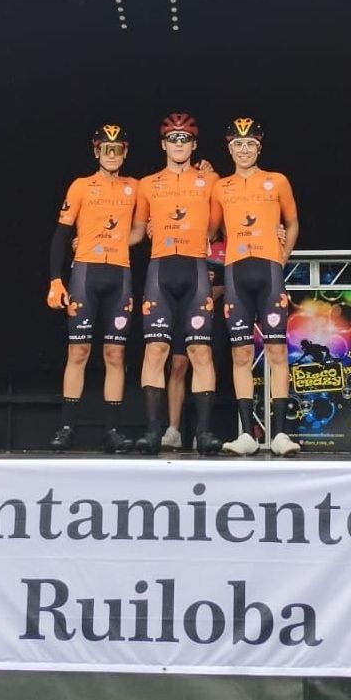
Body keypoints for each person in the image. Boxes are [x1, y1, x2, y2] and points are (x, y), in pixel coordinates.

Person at [131, 113, 222, 455]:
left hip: (195, 268)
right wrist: (91, 241)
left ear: (194, 145)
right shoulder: (147, 183)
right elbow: (137, 231)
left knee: (200, 351)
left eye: (185, 139)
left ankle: (204, 432)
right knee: (156, 350)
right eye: (173, 138)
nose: (179, 144)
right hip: (160, 270)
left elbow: (217, 227)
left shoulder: (211, 180)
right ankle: (153, 431)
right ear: (163, 144)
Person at [210, 116, 301, 457]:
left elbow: (293, 222)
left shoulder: (277, 181)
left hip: (269, 271)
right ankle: (247, 434)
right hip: (235, 272)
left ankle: (280, 435)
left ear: (259, 148)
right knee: (241, 353)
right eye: (238, 144)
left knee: (277, 352)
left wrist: (282, 257)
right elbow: (212, 231)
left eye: (250, 144)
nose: (244, 150)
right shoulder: (221, 187)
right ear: (229, 148)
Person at [46, 124, 141, 453]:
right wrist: (55, 279)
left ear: (125, 153)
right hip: (85, 274)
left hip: (120, 275)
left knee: (115, 354)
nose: (111, 155)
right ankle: (66, 428)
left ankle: (112, 431)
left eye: (117, 150)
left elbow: (146, 225)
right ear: (96, 151)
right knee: (78, 352)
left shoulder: (135, 187)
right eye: (106, 150)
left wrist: (203, 170)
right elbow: (61, 235)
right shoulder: (81, 186)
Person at [160, 236, 226, 450]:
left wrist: (210, 288)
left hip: (214, 312)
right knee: (178, 364)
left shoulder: (226, 243)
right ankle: (173, 430)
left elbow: (233, 281)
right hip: (184, 309)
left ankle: (202, 431)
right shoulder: (185, 238)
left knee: (207, 366)